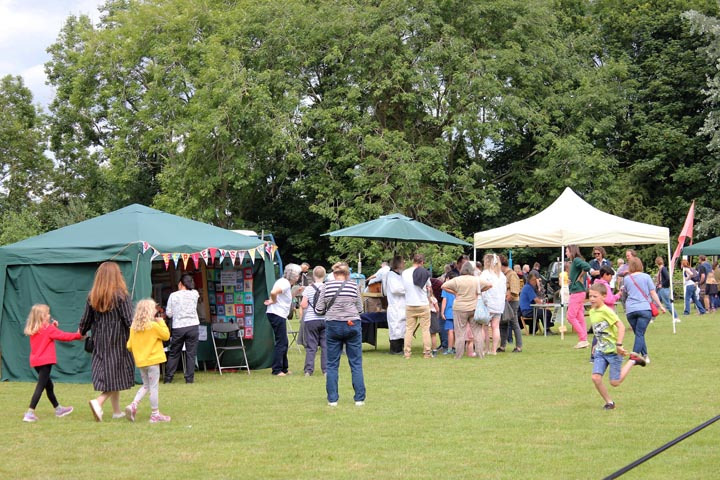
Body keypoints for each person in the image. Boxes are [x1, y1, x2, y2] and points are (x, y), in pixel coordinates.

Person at [79, 261, 135, 422]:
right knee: (119, 374)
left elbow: (85, 320)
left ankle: (117, 411)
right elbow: (129, 320)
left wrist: (81, 331)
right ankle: (99, 402)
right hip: (118, 340)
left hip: (100, 340)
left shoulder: (93, 296)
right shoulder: (121, 296)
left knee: (111, 375)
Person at [588, 283, 646, 410]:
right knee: (595, 378)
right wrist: (597, 344)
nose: (591, 299)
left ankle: (632, 361)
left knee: (615, 382)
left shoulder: (607, 311)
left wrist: (619, 344)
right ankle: (609, 402)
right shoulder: (592, 312)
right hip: (600, 351)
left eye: (595, 296)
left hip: (614, 352)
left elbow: (621, 326)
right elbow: (599, 330)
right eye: (590, 296)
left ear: (604, 296)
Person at [314, 262, 365, 406]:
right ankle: (359, 399)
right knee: (356, 363)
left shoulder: (326, 286)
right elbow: (360, 309)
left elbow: (318, 309)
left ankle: (332, 399)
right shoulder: (353, 286)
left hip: (333, 324)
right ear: (347, 274)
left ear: (334, 274)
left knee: (332, 364)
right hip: (352, 323)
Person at [22, 304, 82, 422]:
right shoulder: (48, 329)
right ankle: (30, 413)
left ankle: (58, 409)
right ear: (42, 316)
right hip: (45, 362)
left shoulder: (35, 329)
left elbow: (47, 335)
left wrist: (53, 326)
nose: (49, 315)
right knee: (41, 386)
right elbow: (63, 336)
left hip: (36, 362)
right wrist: (78, 335)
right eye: (47, 313)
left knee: (49, 385)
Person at [125, 299, 171, 423]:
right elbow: (166, 336)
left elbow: (129, 346)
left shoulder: (133, 328)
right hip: (153, 361)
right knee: (153, 387)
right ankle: (155, 414)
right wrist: (162, 322)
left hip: (141, 362)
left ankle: (133, 405)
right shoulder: (153, 326)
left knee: (146, 386)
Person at [441, 262, 491, 359]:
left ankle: (458, 356)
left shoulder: (457, 280)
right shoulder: (476, 280)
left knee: (460, 333)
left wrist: (455, 293)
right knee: (477, 332)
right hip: (474, 308)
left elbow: (443, 286)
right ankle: (480, 355)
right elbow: (489, 285)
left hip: (460, 308)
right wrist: (479, 291)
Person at [623, 257, 665, 364]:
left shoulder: (627, 279)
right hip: (644, 308)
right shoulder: (646, 277)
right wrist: (660, 305)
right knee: (640, 334)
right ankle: (634, 357)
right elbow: (653, 293)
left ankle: (645, 355)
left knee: (638, 334)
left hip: (631, 309)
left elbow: (625, 292)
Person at [264, 263, 303, 376]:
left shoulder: (285, 283)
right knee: (281, 342)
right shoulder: (285, 283)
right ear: (293, 276)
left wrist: (295, 293)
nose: (298, 277)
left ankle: (284, 368)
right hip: (277, 314)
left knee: (284, 342)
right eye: (298, 275)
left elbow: (285, 297)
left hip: (278, 314)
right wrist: (273, 300)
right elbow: (273, 292)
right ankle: (277, 370)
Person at [163, 274, 200, 384]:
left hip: (178, 327)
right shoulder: (195, 294)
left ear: (180, 284)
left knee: (174, 353)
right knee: (191, 353)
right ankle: (189, 379)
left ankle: (168, 378)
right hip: (193, 326)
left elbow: (169, 313)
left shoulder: (173, 295)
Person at [401, 253, 435, 359]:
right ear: (422, 262)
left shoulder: (405, 273)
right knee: (425, 329)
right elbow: (429, 288)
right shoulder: (424, 272)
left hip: (409, 304)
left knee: (409, 329)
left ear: (413, 261)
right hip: (423, 304)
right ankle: (427, 352)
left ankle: (407, 353)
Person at [300, 266, 327, 376]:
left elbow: (303, 305)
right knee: (325, 346)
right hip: (325, 319)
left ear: (313, 275)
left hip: (311, 319)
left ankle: (308, 370)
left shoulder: (308, 288)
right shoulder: (327, 288)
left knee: (311, 346)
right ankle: (326, 370)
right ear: (324, 275)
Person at [480, 254, 507, 355]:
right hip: (499, 304)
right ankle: (494, 350)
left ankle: (485, 348)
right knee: (496, 327)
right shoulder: (502, 276)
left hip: (488, 303)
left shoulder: (485, 274)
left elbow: (482, 289)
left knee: (484, 327)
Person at [566, 245, 591, 349]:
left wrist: (580, 276)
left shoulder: (576, 260)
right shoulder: (574, 262)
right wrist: (571, 280)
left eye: (567, 251)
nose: (566, 253)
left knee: (570, 316)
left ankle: (583, 338)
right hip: (579, 292)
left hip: (577, 292)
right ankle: (583, 340)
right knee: (580, 317)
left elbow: (587, 267)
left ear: (572, 251)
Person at [382, 256, 406, 354]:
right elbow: (395, 289)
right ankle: (395, 349)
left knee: (402, 327)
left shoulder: (399, 275)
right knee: (396, 327)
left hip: (401, 305)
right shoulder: (391, 275)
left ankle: (401, 347)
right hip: (395, 305)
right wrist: (407, 289)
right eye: (403, 262)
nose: (404, 264)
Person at [499, 254, 523, 353]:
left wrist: (506, 299)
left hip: (512, 301)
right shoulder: (502, 275)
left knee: (514, 323)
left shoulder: (512, 274)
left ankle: (519, 346)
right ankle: (502, 346)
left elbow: (515, 291)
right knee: (503, 323)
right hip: (504, 301)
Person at [654, 257, 679, 321]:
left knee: (667, 304)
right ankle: (651, 318)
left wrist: (662, 284)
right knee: (656, 303)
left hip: (664, 289)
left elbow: (668, 278)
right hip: (660, 289)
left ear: (656, 262)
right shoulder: (660, 269)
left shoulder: (663, 269)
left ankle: (676, 317)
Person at [440, 271, 458, 355]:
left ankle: (450, 348)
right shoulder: (458, 288)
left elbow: (444, 300)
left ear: (447, 279)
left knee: (450, 331)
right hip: (458, 312)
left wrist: (442, 312)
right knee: (456, 331)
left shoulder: (445, 289)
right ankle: (454, 347)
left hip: (449, 312)